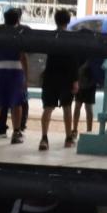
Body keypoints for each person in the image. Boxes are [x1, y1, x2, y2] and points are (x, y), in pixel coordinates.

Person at [0, 6, 29, 147]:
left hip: (0, 69)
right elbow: (23, 56)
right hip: (15, 70)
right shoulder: (20, 33)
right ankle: (16, 132)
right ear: (18, 19)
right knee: (16, 104)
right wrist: (26, 76)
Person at [39, 8, 81, 150]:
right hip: (67, 77)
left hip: (51, 76)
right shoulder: (71, 39)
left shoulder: (50, 37)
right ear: (68, 21)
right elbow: (74, 60)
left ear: (55, 20)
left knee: (48, 108)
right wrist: (75, 80)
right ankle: (68, 138)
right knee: (67, 108)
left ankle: (44, 138)